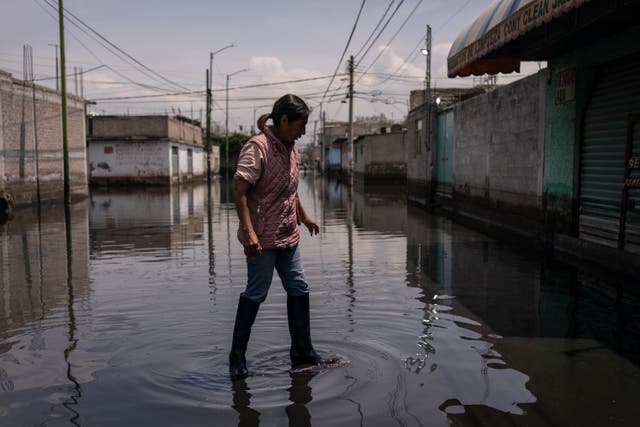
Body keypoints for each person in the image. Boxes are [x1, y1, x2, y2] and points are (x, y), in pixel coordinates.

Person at [229, 94, 329, 381]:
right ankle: (237, 359)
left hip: (289, 234)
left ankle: (302, 354)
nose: (303, 132)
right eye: (300, 125)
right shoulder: (257, 148)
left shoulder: (292, 148)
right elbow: (239, 191)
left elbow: (290, 189)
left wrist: (304, 216)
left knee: (299, 287)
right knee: (256, 293)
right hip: (261, 238)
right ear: (283, 120)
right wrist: (248, 233)